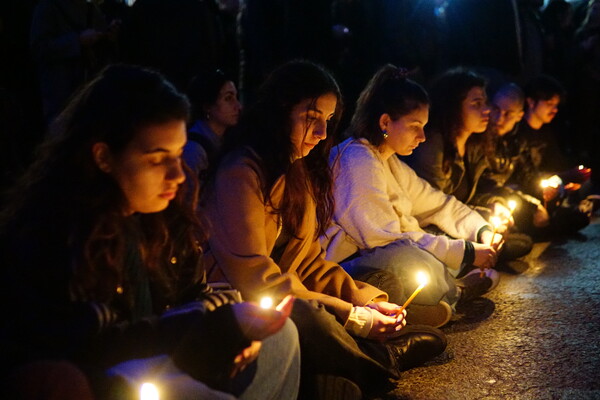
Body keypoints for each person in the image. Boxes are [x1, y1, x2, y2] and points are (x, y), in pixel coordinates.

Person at [0, 64, 300, 400]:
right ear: (103, 157)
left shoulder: (165, 214)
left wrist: (232, 319)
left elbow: (192, 293)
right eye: (157, 159)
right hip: (111, 377)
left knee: (281, 334)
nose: (178, 174)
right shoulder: (58, 234)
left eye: (177, 154)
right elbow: (95, 348)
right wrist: (217, 324)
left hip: (170, 351)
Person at [202, 60, 447, 399]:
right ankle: (381, 361)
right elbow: (257, 280)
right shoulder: (240, 173)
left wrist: (365, 302)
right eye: (311, 118)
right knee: (305, 315)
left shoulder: (297, 171)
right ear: (281, 111)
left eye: (328, 121)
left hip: (287, 295)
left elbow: (309, 263)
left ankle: (327, 380)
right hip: (238, 306)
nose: (320, 133)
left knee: (369, 291)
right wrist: (353, 316)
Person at [321, 65, 501, 329]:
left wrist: (482, 231)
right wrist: (465, 252)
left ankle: (440, 298)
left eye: (425, 127)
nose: (422, 137)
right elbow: (384, 239)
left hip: (389, 253)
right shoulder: (356, 160)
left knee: (431, 244)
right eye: (415, 126)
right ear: (385, 122)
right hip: (349, 266)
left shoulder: (388, 159)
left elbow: (438, 204)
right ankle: (454, 293)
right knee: (407, 257)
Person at [407, 68, 533, 262]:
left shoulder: (475, 144)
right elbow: (434, 209)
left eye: (485, 102)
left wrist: (493, 204)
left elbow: (475, 191)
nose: (487, 110)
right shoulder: (432, 145)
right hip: (433, 231)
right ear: (453, 106)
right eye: (476, 104)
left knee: (520, 235)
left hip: (462, 222)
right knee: (514, 243)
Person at [508, 75, 593, 237]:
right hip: (526, 192)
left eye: (556, 105)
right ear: (531, 102)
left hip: (545, 190)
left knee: (583, 198)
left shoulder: (546, 132)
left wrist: (567, 180)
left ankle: (552, 224)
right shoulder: (518, 133)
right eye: (549, 104)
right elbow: (524, 177)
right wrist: (562, 178)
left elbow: (557, 163)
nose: (554, 110)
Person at [183, 69, 241, 178]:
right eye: (228, 98)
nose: (238, 106)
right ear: (207, 106)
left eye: (236, 97)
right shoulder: (194, 150)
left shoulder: (226, 142)